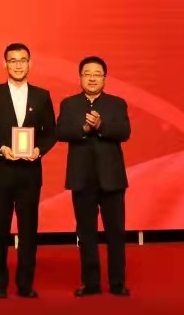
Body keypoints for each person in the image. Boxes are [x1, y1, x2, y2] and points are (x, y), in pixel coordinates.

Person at [0, 43, 57, 299]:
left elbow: (51, 133)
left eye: (23, 60)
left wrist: (39, 150)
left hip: (30, 174)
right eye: (13, 60)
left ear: (30, 63)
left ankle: (25, 284)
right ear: (5, 64)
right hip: (1, 171)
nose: (18, 65)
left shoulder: (42, 96)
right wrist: (1, 149)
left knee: (29, 230)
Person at [57, 55, 132, 297]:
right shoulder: (69, 104)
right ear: (80, 77)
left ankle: (117, 283)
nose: (92, 78)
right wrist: (84, 129)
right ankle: (91, 284)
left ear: (104, 78)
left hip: (112, 179)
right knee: (86, 234)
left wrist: (100, 127)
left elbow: (124, 132)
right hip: (82, 179)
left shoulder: (117, 104)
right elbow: (61, 132)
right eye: (87, 74)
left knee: (115, 233)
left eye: (97, 74)